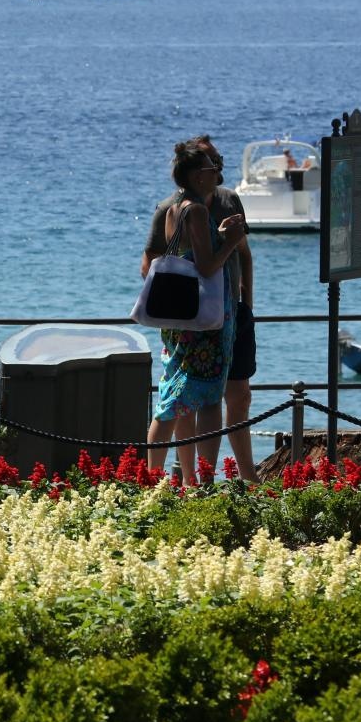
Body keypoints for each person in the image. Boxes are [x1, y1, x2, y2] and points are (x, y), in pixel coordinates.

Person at [140, 139, 249, 485]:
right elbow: (206, 266)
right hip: (205, 323)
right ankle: (202, 481)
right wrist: (230, 241)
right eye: (211, 167)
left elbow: (185, 253)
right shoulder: (198, 211)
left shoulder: (175, 209)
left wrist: (218, 235)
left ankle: (154, 480)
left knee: (173, 394)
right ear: (197, 176)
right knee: (205, 399)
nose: (217, 172)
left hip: (179, 317)